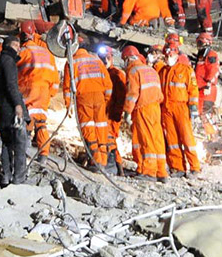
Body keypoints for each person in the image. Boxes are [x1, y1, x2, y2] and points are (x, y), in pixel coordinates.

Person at [62, 36, 113, 170]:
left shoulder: (71, 62)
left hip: (84, 98)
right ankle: (103, 161)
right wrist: (106, 100)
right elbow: (108, 84)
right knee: (101, 127)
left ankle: (95, 162)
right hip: (100, 99)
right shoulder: (97, 60)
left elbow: (67, 87)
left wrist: (69, 105)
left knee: (88, 129)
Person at [121, 46, 166, 180]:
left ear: (129, 58)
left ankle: (149, 171)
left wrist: (127, 111)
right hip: (156, 107)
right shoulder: (151, 70)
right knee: (157, 139)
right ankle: (161, 171)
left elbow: (132, 93)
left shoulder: (134, 70)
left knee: (146, 139)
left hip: (143, 108)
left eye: (125, 60)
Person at [17, 22, 59, 156]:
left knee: (26, 117)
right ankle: (44, 154)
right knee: (41, 122)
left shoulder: (24, 51)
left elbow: (12, 68)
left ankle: (23, 147)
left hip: (30, 88)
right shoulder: (47, 53)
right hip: (44, 91)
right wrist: (51, 93)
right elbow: (55, 77)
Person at [159, 44, 201, 177]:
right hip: (166, 109)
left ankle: (195, 167)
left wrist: (193, 107)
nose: (168, 57)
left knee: (187, 138)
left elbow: (193, 90)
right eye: (166, 55)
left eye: (170, 55)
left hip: (181, 108)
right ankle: (178, 168)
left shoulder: (186, 70)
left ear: (177, 55)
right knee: (172, 140)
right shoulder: (162, 71)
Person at [0, 35, 29, 185]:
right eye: (17, 46)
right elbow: (11, 85)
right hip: (10, 109)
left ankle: (6, 176)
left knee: (6, 144)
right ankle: (19, 179)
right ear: (10, 46)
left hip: (1, 109)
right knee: (20, 143)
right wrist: (18, 105)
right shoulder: (8, 61)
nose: (19, 49)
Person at [99, 44, 128, 173]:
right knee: (106, 138)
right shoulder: (101, 73)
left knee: (109, 138)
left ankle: (113, 165)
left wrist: (117, 112)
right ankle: (117, 166)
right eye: (102, 57)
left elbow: (122, 95)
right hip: (103, 111)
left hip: (112, 112)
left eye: (107, 57)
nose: (105, 60)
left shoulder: (117, 74)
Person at [194, 32, 219, 117]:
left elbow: (213, 69)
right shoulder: (202, 55)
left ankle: (209, 130)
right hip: (200, 90)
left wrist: (208, 84)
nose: (198, 45)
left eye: (200, 43)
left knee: (204, 116)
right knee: (199, 114)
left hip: (206, 91)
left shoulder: (211, 55)